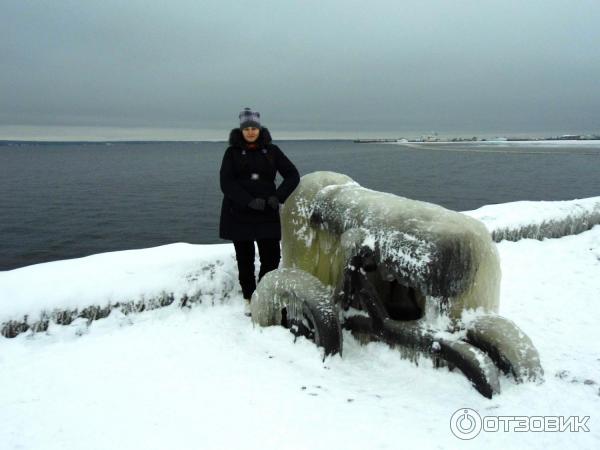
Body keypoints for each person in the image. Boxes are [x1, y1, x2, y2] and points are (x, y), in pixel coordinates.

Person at [219, 108, 300, 314]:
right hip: (239, 213)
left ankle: (263, 293)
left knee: (271, 257)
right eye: (247, 128)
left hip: (266, 212)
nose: (251, 132)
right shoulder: (232, 153)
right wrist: (247, 201)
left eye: (254, 128)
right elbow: (226, 183)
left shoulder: (272, 151)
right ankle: (248, 296)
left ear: (259, 128)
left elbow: (292, 175)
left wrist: (278, 197)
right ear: (241, 130)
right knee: (244, 259)